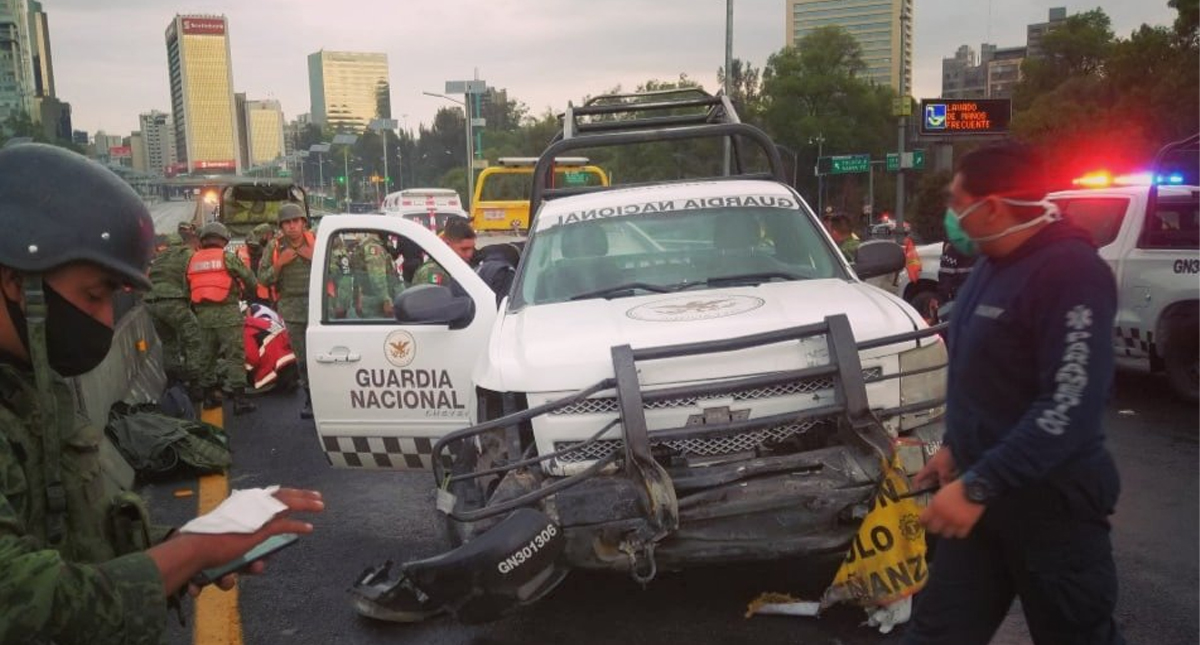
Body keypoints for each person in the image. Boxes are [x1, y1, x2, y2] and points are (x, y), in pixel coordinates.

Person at [0, 143, 323, 644]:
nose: (107, 319)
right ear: (17, 282)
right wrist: (186, 555)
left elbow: (70, 542)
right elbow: (23, 602)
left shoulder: (32, 392)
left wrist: (186, 546)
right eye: (94, 295)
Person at [904, 141, 1123, 644]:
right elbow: (989, 378)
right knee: (937, 632)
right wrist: (956, 449)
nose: (951, 215)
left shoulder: (1070, 273)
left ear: (994, 206)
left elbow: (1069, 408)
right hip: (980, 504)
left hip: (1052, 513)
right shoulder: (989, 267)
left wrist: (981, 484)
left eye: (958, 202)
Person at [186, 222, 258, 415]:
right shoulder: (227, 257)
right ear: (223, 240)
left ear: (203, 240)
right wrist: (250, 294)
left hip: (203, 316)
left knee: (207, 357)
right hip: (228, 314)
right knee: (235, 356)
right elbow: (249, 278)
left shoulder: (193, 260)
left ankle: (209, 398)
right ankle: (240, 400)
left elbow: (188, 286)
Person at [258, 203, 314, 419]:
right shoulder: (275, 247)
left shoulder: (316, 242)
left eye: (295, 221)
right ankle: (310, 398)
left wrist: (314, 258)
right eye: (287, 223)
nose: (291, 227)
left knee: (325, 356)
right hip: (292, 310)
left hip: (319, 308)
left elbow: (339, 271)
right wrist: (279, 264)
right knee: (302, 359)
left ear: (303, 223)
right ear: (281, 226)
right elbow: (262, 279)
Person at [145, 225, 203, 400]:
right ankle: (195, 384)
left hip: (151, 303)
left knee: (169, 342)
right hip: (173, 301)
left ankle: (173, 382)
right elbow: (194, 276)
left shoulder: (160, 258)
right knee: (194, 338)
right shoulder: (187, 254)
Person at [412, 216, 476, 287]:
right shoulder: (433, 272)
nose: (469, 254)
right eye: (464, 249)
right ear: (447, 245)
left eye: (472, 248)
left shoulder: (459, 267)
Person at [354, 233, 402, 319]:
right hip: (377, 302)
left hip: (375, 299)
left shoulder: (373, 245)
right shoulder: (373, 247)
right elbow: (376, 277)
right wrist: (386, 300)